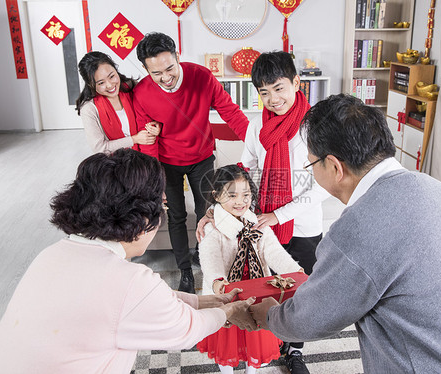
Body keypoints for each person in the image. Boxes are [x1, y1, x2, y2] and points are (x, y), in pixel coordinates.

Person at [250, 94, 441, 373]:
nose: (311, 174)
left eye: (311, 165)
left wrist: (270, 316)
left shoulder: (359, 227)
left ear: (336, 167)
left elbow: (310, 319)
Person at [0, 149, 257, 374]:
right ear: (143, 217)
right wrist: (230, 312)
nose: (163, 211)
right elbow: (187, 330)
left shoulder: (51, 254)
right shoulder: (131, 282)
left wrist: (211, 300)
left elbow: (135, 302)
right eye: (163, 205)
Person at [197, 51, 330, 374]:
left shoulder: (317, 127)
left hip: (301, 224)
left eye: (279, 88)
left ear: (297, 83)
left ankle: (295, 351)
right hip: (258, 225)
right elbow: (246, 171)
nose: (273, 99)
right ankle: (267, 338)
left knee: (299, 289)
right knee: (264, 286)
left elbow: (324, 185)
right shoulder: (257, 125)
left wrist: (280, 215)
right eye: (264, 92)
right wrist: (220, 210)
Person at [133, 32, 249, 294]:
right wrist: (155, 179)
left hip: (202, 157)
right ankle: (184, 270)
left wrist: (254, 142)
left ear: (178, 57)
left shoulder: (202, 76)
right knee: (176, 216)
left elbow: (229, 111)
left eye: (169, 68)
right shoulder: (141, 93)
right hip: (167, 162)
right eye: (156, 73)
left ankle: (203, 256)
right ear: (145, 69)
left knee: (206, 211)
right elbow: (148, 141)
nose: (165, 77)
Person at [196, 164, 303, 374]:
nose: (240, 201)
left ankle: (250, 371)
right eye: (232, 195)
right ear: (216, 195)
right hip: (226, 293)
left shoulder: (256, 223)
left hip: (257, 293)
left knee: (255, 333)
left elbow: (274, 253)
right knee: (226, 342)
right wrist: (217, 281)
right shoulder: (212, 227)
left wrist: (295, 271)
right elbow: (210, 258)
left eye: (246, 195)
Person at [76, 51, 160, 154]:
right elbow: (99, 148)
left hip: (145, 156)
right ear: (91, 85)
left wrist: (156, 125)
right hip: (114, 164)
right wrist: (134, 139)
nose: (110, 85)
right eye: (101, 83)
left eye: (111, 76)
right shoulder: (89, 109)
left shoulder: (132, 87)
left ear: (116, 70)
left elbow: (152, 115)